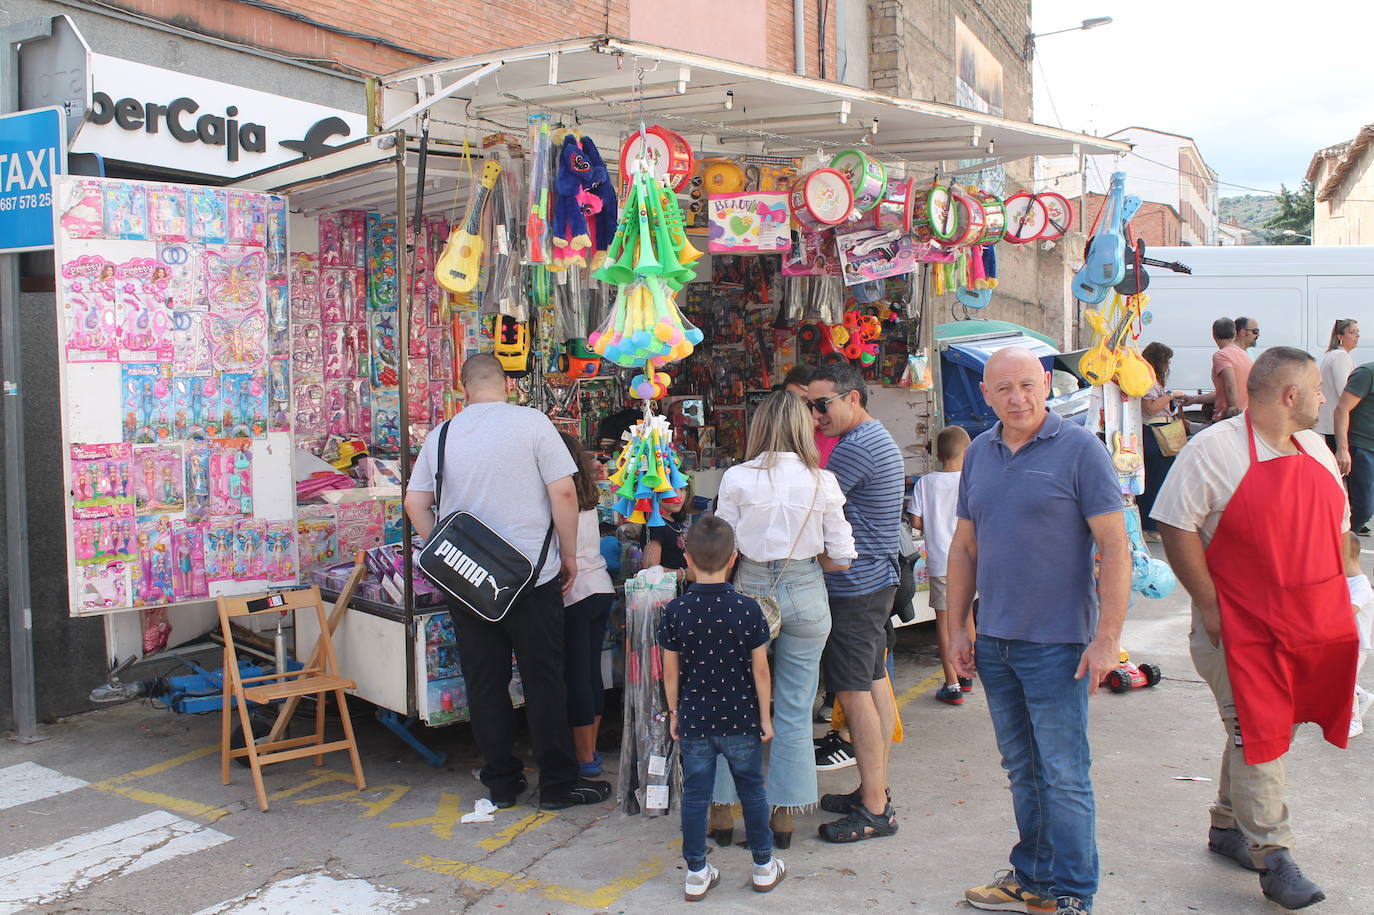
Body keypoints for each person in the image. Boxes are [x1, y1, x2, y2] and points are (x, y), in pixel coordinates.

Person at [1152, 347, 1360, 911]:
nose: (1325, 397)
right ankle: (1275, 854)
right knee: (1258, 729)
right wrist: (1210, 605)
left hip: (1302, 625)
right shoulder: (1213, 450)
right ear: (1290, 396)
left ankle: (1226, 828)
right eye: (1318, 388)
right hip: (1236, 627)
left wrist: (1354, 592)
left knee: (1262, 730)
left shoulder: (1315, 449)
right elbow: (1175, 524)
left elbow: (1340, 530)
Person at [949, 347, 1129, 915]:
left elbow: (1115, 547)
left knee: (1063, 773)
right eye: (1004, 389)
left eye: (1027, 385)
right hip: (996, 642)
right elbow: (965, 546)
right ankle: (1034, 877)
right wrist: (957, 627)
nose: (1017, 398)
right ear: (985, 394)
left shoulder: (1081, 451)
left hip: (1058, 645)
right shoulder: (979, 453)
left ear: (1047, 384)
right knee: (1022, 768)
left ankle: (1075, 891)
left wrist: (1108, 638)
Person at [403, 354, 612, 810]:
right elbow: (562, 492)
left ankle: (501, 782)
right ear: (507, 386)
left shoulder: (442, 435)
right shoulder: (534, 424)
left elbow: (415, 502)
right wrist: (571, 555)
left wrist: (440, 547)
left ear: (463, 389)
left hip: (469, 580)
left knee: (484, 682)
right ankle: (557, 785)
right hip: (533, 577)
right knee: (544, 681)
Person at [708, 391, 856, 848]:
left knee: (734, 702)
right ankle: (784, 818)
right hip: (808, 589)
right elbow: (844, 557)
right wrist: (807, 569)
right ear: (801, 427)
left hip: (750, 590)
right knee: (794, 710)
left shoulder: (736, 478)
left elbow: (721, 549)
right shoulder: (822, 480)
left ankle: (722, 808)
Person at [659, 515, 786, 901]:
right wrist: (765, 717)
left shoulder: (675, 611)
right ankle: (764, 866)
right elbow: (761, 669)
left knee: (697, 795)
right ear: (733, 559)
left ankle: (696, 871)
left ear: (688, 559)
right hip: (742, 718)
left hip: (696, 719)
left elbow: (669, 670)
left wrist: (674, 712)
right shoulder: (749, 610)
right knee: (752, 791)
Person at [806, 362, 905, 843]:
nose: (816, 415)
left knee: (854, 693)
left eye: (821, 405)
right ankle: (874, 788)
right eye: (809, 406)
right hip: (871, 582)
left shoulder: (856, 449)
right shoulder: (867, 439)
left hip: (856, 587)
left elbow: (812, 507)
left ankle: (875, 808)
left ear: (851, 399)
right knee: (870, 682)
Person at [557, 432, 616, 777]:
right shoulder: (587, 496)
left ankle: (584, 756)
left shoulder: (558, 498)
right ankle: (589, 748)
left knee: (577, 675)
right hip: (599, 588)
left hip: (575, 593)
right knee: (590, 672)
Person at [910, 425, 974, 705]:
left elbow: (915, 521)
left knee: (945, 623)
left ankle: (952, 685)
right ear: (967, 452)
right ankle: (967, 673)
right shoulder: (971, 481)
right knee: (967, 616)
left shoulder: (925, 483)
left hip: (940, 562)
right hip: (969, 562)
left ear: (937, 454)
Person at [1140, 342, 1181, 542]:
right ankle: (1150, 526)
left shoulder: (1152, 380)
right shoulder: (1148, 381)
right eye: (1167, 360)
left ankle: (1150, 525)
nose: (1169, 364)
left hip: (1159, 431)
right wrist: (1170, 396)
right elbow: (1151, 407)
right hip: (1155, 432)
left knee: (1157, 479)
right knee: (1156, 480)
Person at [1176, 318, 1251, 422]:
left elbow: (1229, 383)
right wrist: (1194, 399)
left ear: (1214, 335)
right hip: (1244, 417)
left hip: (1226, 418)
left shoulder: (1221, 355)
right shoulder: (1245, 355)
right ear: (1234, 333)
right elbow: (1224, 391)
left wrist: (1231, 409)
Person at [1332, 358, 1374, 535]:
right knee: (1363, 508)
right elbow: (1342, 408)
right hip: (1362, 448)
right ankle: (1338, 541)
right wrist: (1342, 448)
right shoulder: (1367, 373)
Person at [1342, 532, 1373, 738]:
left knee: (1344, 682)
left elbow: (1349, 609)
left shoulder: (1361, 585)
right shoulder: (1344, 579)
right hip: (1345, 640)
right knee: (1345, 678)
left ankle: (1354, 721)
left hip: (1358, 642)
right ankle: (1362, 696)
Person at [1318, 319, 1359, 452]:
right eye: (1352, 332)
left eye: (1358, 332)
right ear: (1340, 336)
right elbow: (1345, 392)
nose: (1357, 336)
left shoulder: (1332, 354)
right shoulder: (1340, 356)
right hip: (1334, 426)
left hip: (1329, 424)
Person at [641, 481, 692, 583]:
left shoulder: (673, 522)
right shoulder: (656, 526)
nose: (678, 495)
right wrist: (686, 574)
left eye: (682, 489)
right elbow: (650, 571)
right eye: (670, 489)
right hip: (667, 597)